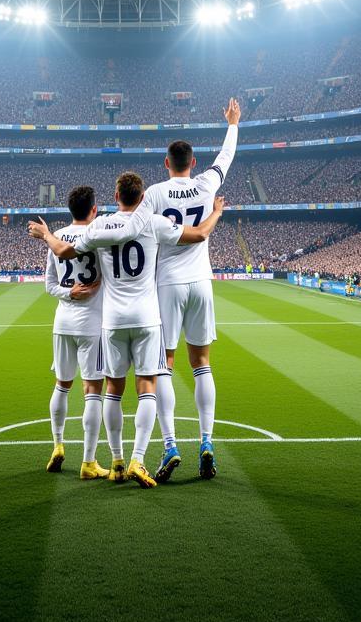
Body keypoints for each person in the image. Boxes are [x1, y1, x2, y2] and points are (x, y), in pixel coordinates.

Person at [31, 172, 225, 489]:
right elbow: (200, 234)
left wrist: (46, 235)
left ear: (116, 195)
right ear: (143, 195)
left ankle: (118, 462)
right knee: (147, 385)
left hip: (112, 320)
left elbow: (63, 252)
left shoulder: (101, 225)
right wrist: (215, 211)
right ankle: (139, 458)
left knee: (113, 390)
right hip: (148, 317)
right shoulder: (154, 221)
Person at [139, 96, 239, 482]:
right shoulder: (206, 183)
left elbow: (137, 229)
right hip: (202, 284)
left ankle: (169, 445)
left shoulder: (154, 194)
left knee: (164, 365)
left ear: (167, 163)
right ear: (193, 162)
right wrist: (232, 123)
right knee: (203, 364)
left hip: (167, 285)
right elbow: (226, 158)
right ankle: (207, 441)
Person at [41, 185, 108, 480]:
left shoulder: (55, 238)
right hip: (91, 322)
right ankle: (89, 461)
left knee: (61, 385)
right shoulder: (98, 236)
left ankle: (57, 444)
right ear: (93, 209)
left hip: (62, 322)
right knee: (93, 390)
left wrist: (70, 293)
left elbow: (49, 285)